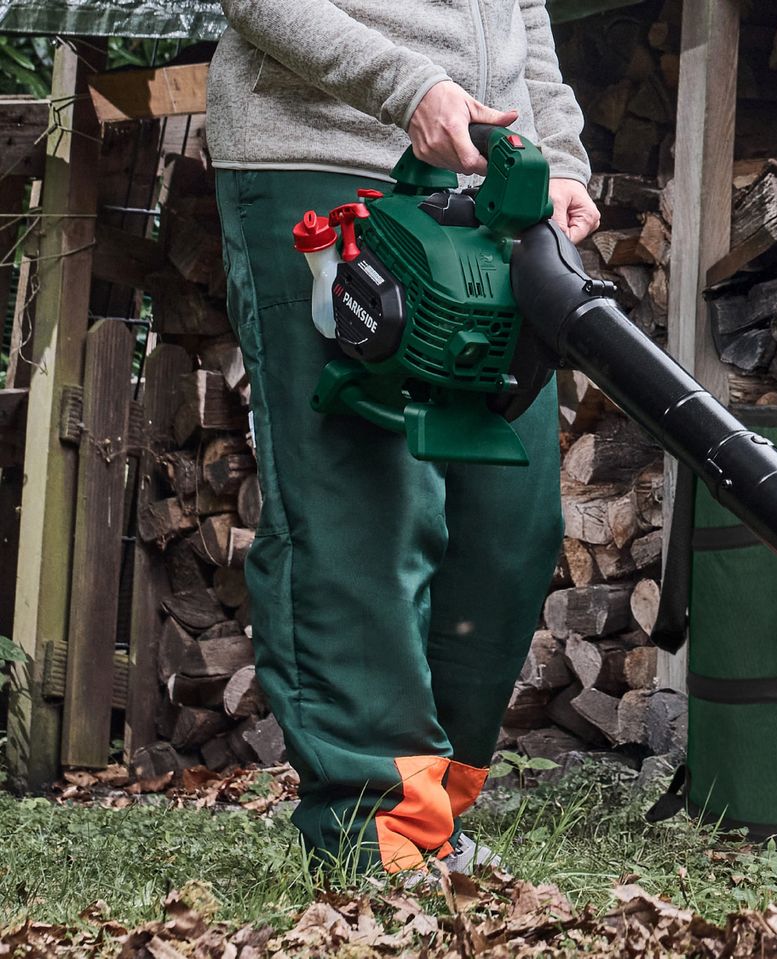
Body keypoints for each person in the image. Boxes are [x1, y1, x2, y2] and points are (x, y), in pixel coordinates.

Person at [206, 0, 600, 876]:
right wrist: (408, 87)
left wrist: (560, 160)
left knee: (512, 520)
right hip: (320, 154)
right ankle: (377, 828)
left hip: (485, 182)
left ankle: (438, 813)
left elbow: (521, 12)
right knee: (362, 510)